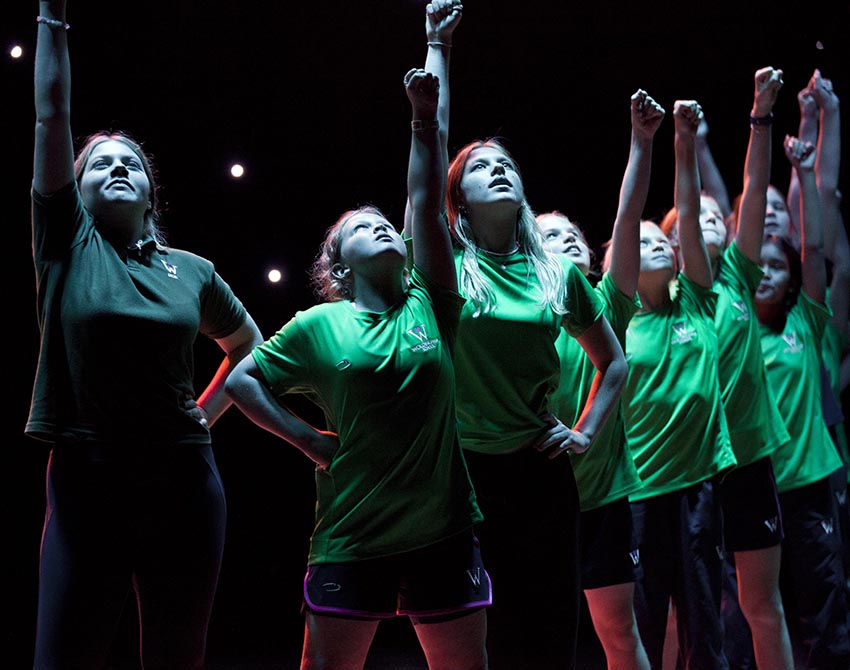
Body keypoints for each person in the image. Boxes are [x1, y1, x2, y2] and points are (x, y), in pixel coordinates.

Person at [224, 64, 490, 670]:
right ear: (339, 267)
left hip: (443, 531)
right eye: (362, 228)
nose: (382, 228)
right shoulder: (318, 325)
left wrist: (423, 117)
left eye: (384, 223)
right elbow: (242, 381)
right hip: (353, 534)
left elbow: (425, 201)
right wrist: (310, 440)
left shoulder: (431, 299)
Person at [28, 2, 265, 668]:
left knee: (175, 655)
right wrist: (52, 14)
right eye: (99, 163)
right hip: (89, 474)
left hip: (183, 479)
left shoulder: (192, 270)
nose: (117, 168)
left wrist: (205, 413)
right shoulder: (66, 243)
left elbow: (248, 346)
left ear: (150, 193)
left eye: (130, 162)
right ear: (74, 189)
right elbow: (51, 114)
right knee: (64, 655)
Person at [663, 67, 795, 670]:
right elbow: (689, 209)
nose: (716, 220)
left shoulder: (740, 277)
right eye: (702, 220)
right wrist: (681, 144)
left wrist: (761, 112)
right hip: (693, 466)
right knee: (685, 608)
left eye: (724, 217)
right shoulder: (682, 296)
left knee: (760, 602)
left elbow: (754, 182)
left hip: (749, 459)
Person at [536, 88, 665, 670]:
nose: (567, 238)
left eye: (573, 235)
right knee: (539, 634)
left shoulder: (609, 305)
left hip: (605, 496)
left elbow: (627, 217)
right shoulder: (513, 317)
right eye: (550, 235)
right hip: (535, 496)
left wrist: (641, 142)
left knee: (618, 631)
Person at [623, 99, 737, 670]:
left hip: (697, 487)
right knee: (644, 628)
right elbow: (627, 222)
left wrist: (684, 141)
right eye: (644, 242)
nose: (660, 245)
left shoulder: (696, 298)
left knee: (704, 628)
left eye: (661, 241)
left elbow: (687, 215)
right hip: (639, 493)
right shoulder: (614, 319)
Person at [755, 125, 850, 670]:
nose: (766, 272)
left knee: (825, 598)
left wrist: (804, 173)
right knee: (760, 608)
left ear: (789, 278)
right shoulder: (732, 329)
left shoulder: (805, 322)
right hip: (756, 487)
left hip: (810, 483)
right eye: (758, 266)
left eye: (776, 266)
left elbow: (814, 248)